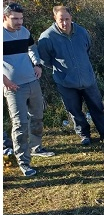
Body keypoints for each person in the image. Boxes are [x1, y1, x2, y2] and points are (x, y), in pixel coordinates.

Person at [38, 5, 104, 146]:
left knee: (97, 107)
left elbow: (87, 49)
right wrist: (65, 71)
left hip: (87, 78)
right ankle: (84, 135)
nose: (65, 23)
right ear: (55, 18)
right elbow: (45, 60)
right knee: (75, 110)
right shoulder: (47, 37)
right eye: (61, 20)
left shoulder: (82, 32)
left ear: (71, 17)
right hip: (65, 81)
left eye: (67, 19)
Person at [3, 2, 55, 177]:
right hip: (13, 86)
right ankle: (23, 162)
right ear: (5, 17)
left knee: (37, 116)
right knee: (20, 124)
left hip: (32, 82)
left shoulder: (24, 32)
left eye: (21, 18)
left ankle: (36, 147)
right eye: (15, 19)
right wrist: (4, 80)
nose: (19, 22)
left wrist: (37, 64)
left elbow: (31, 48)